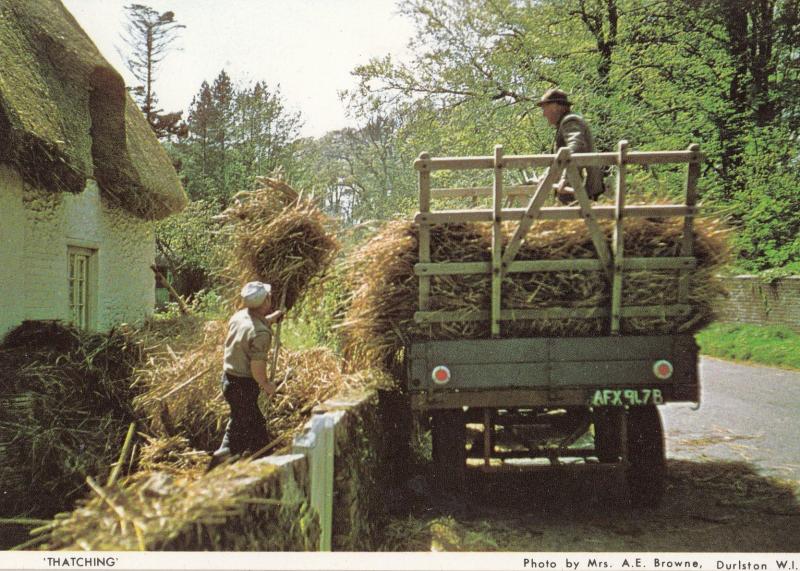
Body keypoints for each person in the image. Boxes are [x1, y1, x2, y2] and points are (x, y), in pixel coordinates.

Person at [208, 281, 283, 470]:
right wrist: (267, 385)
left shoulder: (239, 316)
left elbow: (253, 324)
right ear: (265, 302)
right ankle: (223, 461)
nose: (271, 298)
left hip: (228, 380)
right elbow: (257, 368)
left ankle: (260, 458)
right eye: (269, 296)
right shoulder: (261, 334)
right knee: (245, 428)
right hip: (244, 386)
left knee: (247, 422)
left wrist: (272, 318)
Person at [537, 87, 605, 204]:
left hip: (580, 192)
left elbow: (576, 148)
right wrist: (546, 175)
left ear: (555, 106)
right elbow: (560, 157)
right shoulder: (565, 123)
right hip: (574, 192)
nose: (543, 114)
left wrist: (566, 179)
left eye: (544, 109)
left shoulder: (570, 121)